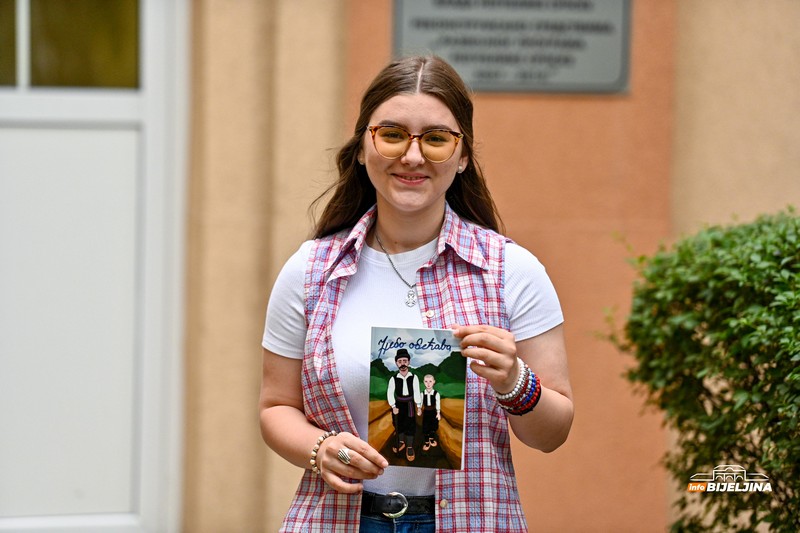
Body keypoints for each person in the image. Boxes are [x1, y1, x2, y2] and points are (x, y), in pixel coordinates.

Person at [259, 55, 574, 533]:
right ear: (363, 147)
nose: (412, 156)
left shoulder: (512, 271)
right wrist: (319, 450)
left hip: (471, 521)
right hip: (338, 520)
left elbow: (553, 433)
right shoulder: (310, 271)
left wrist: (513, 380)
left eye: (436, 139)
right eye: (392, 134)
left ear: (463, 155)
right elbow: (275, 407)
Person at [386, 349, 422, 461]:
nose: (403, 364)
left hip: (410, 404)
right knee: (399, 424)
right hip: (398, 404)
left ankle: (410, 447)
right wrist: (393, 406)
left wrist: (419, 406)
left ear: (409, 362)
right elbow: (390, 393)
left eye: (405, 361)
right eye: (400, 361)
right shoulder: (393, 378)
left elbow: (416, 391)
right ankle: (401, 442)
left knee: (410, 425)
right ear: (397, 363)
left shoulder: (414, 377)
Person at [421, 374, 440, 452]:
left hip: (433, 412)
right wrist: (419, 409)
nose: (428, 384)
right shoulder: (422, 393)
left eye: (430, 381)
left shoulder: (436, 393)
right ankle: (426, 442)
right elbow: (420, 403)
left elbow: (438, 403)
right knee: (425, 427)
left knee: (433, 427)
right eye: (426, 381)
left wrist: (438, 413)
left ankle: (431, 439)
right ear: (423, 382)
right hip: (426, 412)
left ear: (434, 382)